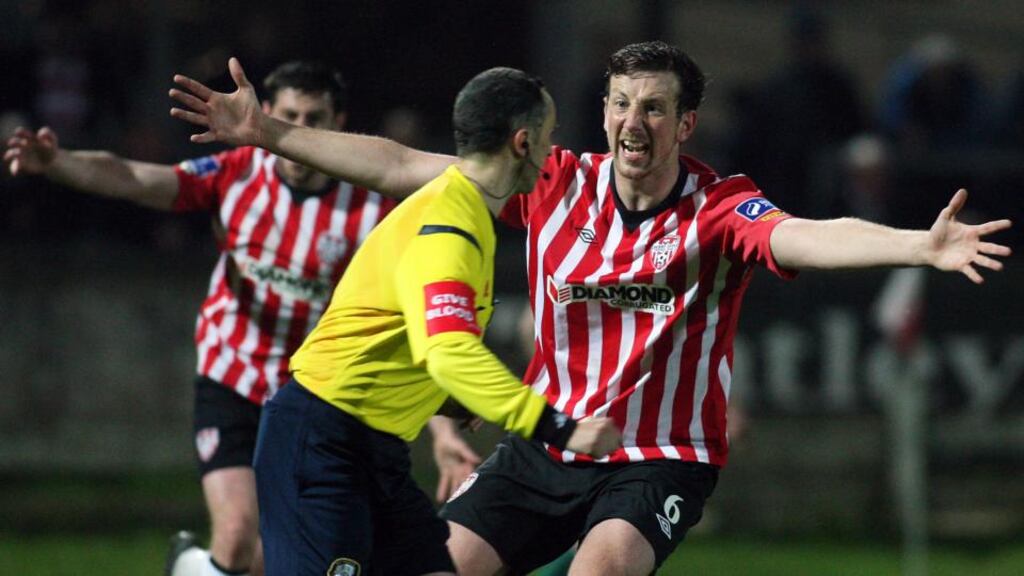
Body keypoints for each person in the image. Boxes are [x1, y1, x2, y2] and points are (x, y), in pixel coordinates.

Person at [168, 42, 1013, 575]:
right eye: (619, 103)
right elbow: (395, 162)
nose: (631, 122)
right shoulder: (553, 185)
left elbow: (802, 235)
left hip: (659, 455)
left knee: (601, 570)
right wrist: (270, 134)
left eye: (653, 107)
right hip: (544, 449)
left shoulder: (719, 207)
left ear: (687, 124)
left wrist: (917, 245)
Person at [3, 60, 482, 576]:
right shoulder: (234, 177)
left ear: (339, 121)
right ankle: (198, 559)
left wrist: (442, 434)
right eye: (290, 114)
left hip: (313, 400)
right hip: (230, 377)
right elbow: (134, 177)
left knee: (265, 558)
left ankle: (189, 564)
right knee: (235, 540)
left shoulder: (374, 211)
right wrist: (59, 163)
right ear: (266, 113)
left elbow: (407, 326)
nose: (301, 127)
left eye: (314, 116)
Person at [171, 61, 622, 575]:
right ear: (523, 143)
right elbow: (449, 349)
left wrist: (441, 396)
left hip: (376, 449)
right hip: (322, 445)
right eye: (548, 136)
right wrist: (558, 428)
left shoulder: (461, 205)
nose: (551, 151)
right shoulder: (451, 225)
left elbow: (411, 330)